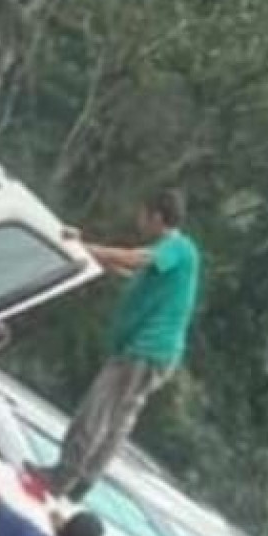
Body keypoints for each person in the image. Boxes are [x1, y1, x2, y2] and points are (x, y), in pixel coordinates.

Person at [41, 189, 201, 502]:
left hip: (145, 349)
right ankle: (83, 482)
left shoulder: (178, 248)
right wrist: (87, 251)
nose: (139, 221)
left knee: (96, 411)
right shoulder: (169, 255)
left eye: (143, 214)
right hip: (152, 353)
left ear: (156, 216)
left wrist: (83, 245)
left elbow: (133, 258)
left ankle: (63, 476)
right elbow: (129, 270)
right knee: (117, 420)